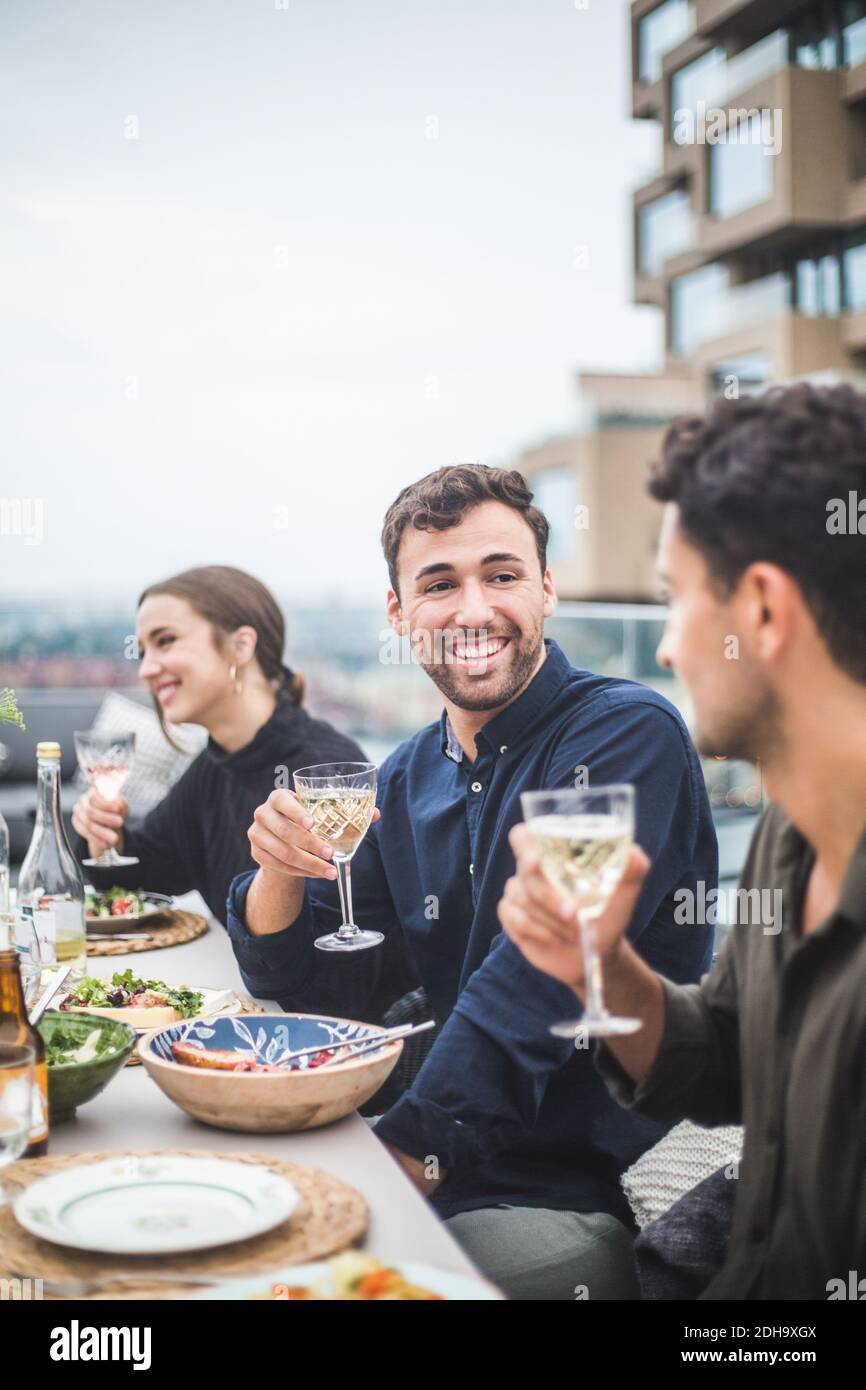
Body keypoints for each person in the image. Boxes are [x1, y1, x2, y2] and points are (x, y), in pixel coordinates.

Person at [226, 465, 718, 1300]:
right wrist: (274, 873)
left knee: (308, 1284)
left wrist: (399, 1160)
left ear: (547, 589)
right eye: (439, 584)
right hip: (429, 1156)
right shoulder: (407, 772)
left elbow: (540, 977)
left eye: (502, 575)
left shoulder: (630, 731)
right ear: (399, 614)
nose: (474, 609)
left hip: (570, 1192)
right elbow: (320, 981)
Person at [499, 382, 866, 1300]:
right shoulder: (792, 828)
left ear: (765, 615)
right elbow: (726, 1058)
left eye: (674, 601)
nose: (663, 649)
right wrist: (602, 962)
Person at [70, 566, 375, 935]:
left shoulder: (322, 772)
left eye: (165, 641)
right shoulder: (213, 767)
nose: (146, 670)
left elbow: (339, 963)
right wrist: (105, 836)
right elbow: (150, 874)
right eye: (143, 651)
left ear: (241, 645)